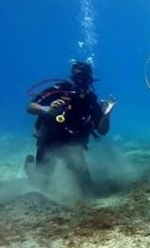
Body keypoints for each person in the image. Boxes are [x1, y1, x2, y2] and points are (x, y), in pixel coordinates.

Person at [25, 61, 115, 193]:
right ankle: (29, 168)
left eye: (85, 78)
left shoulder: (91, 100)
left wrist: (106, 116)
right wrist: (47, 109)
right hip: (49, 141)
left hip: (73, 148)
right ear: (72, 77)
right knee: (41, 185)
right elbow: (30, 107)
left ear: (90, 80)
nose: (81, 81)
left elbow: (102, 131)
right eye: (78, 78)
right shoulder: (59, 90)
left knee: (87, 189)